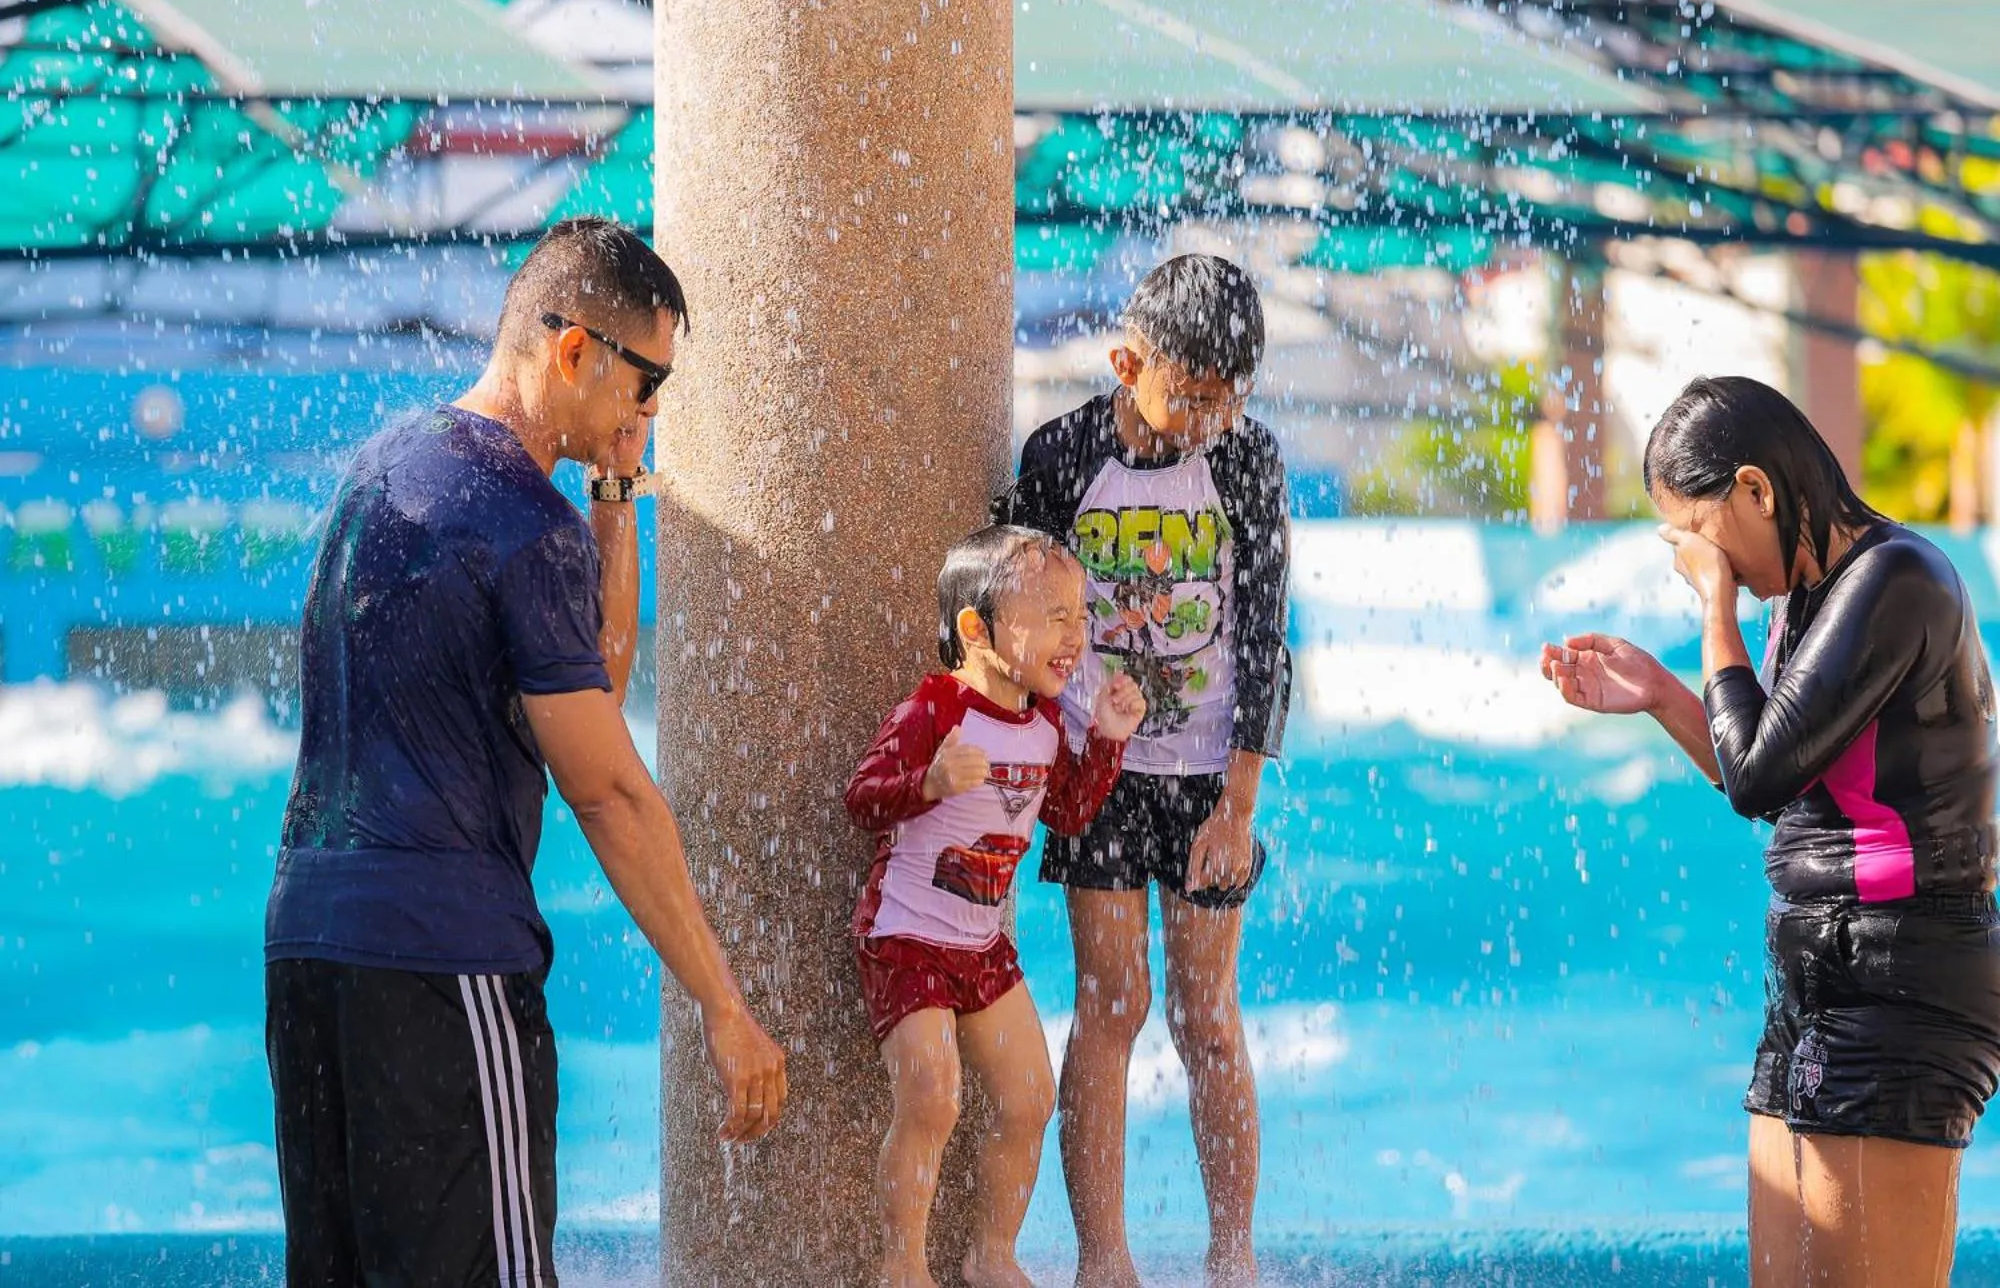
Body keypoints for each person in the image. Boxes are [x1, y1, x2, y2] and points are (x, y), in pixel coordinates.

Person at [264, 217, 787, 1287]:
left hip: (308, 951)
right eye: (647, 385)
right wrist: (723, 1007)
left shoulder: (383, 469)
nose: (651, 413)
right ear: (573, 351)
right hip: (442, 964)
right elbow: (609, 794)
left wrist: (612, 498)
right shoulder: (516, 515)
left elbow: (586, 673)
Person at [1542, 375, 2000, 1288]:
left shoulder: (1897, 581)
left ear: (1756, 488)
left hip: (1899, 988)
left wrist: (1715, 614)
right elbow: (1787, 782)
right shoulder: (1809, 599)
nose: (1710, 568)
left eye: (1704, 541)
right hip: (1817, 986)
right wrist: (1668, 696)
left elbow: (1757, 775)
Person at [996, 254, 1290, 1288]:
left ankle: (1230, 1254)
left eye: (1229, 399)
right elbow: (1015, 613)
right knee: (1110, 1002)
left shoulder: (1246, 463)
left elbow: (1262, 636)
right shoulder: (1064, 456)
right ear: (1129, 362)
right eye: (1192, 397)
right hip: (1100, 768)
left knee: (1205, 1016)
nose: (1209, 420)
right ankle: (1102, 1259)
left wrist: (1237, 804)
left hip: (1208, 771)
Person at [845, 525, 1146, 1288]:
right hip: (906, 934)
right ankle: (902, 1264)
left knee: (1029, 1096)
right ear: (977, 629)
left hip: (981, 947)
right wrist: (929, 784)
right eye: (1051, 614)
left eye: (1079, 615)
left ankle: (990, 1252)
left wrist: (1106, 738)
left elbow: (1069, 811)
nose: (1073, 634)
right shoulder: (936, 708)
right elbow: (860, 798)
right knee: (932, 1093)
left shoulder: (1045, 722)